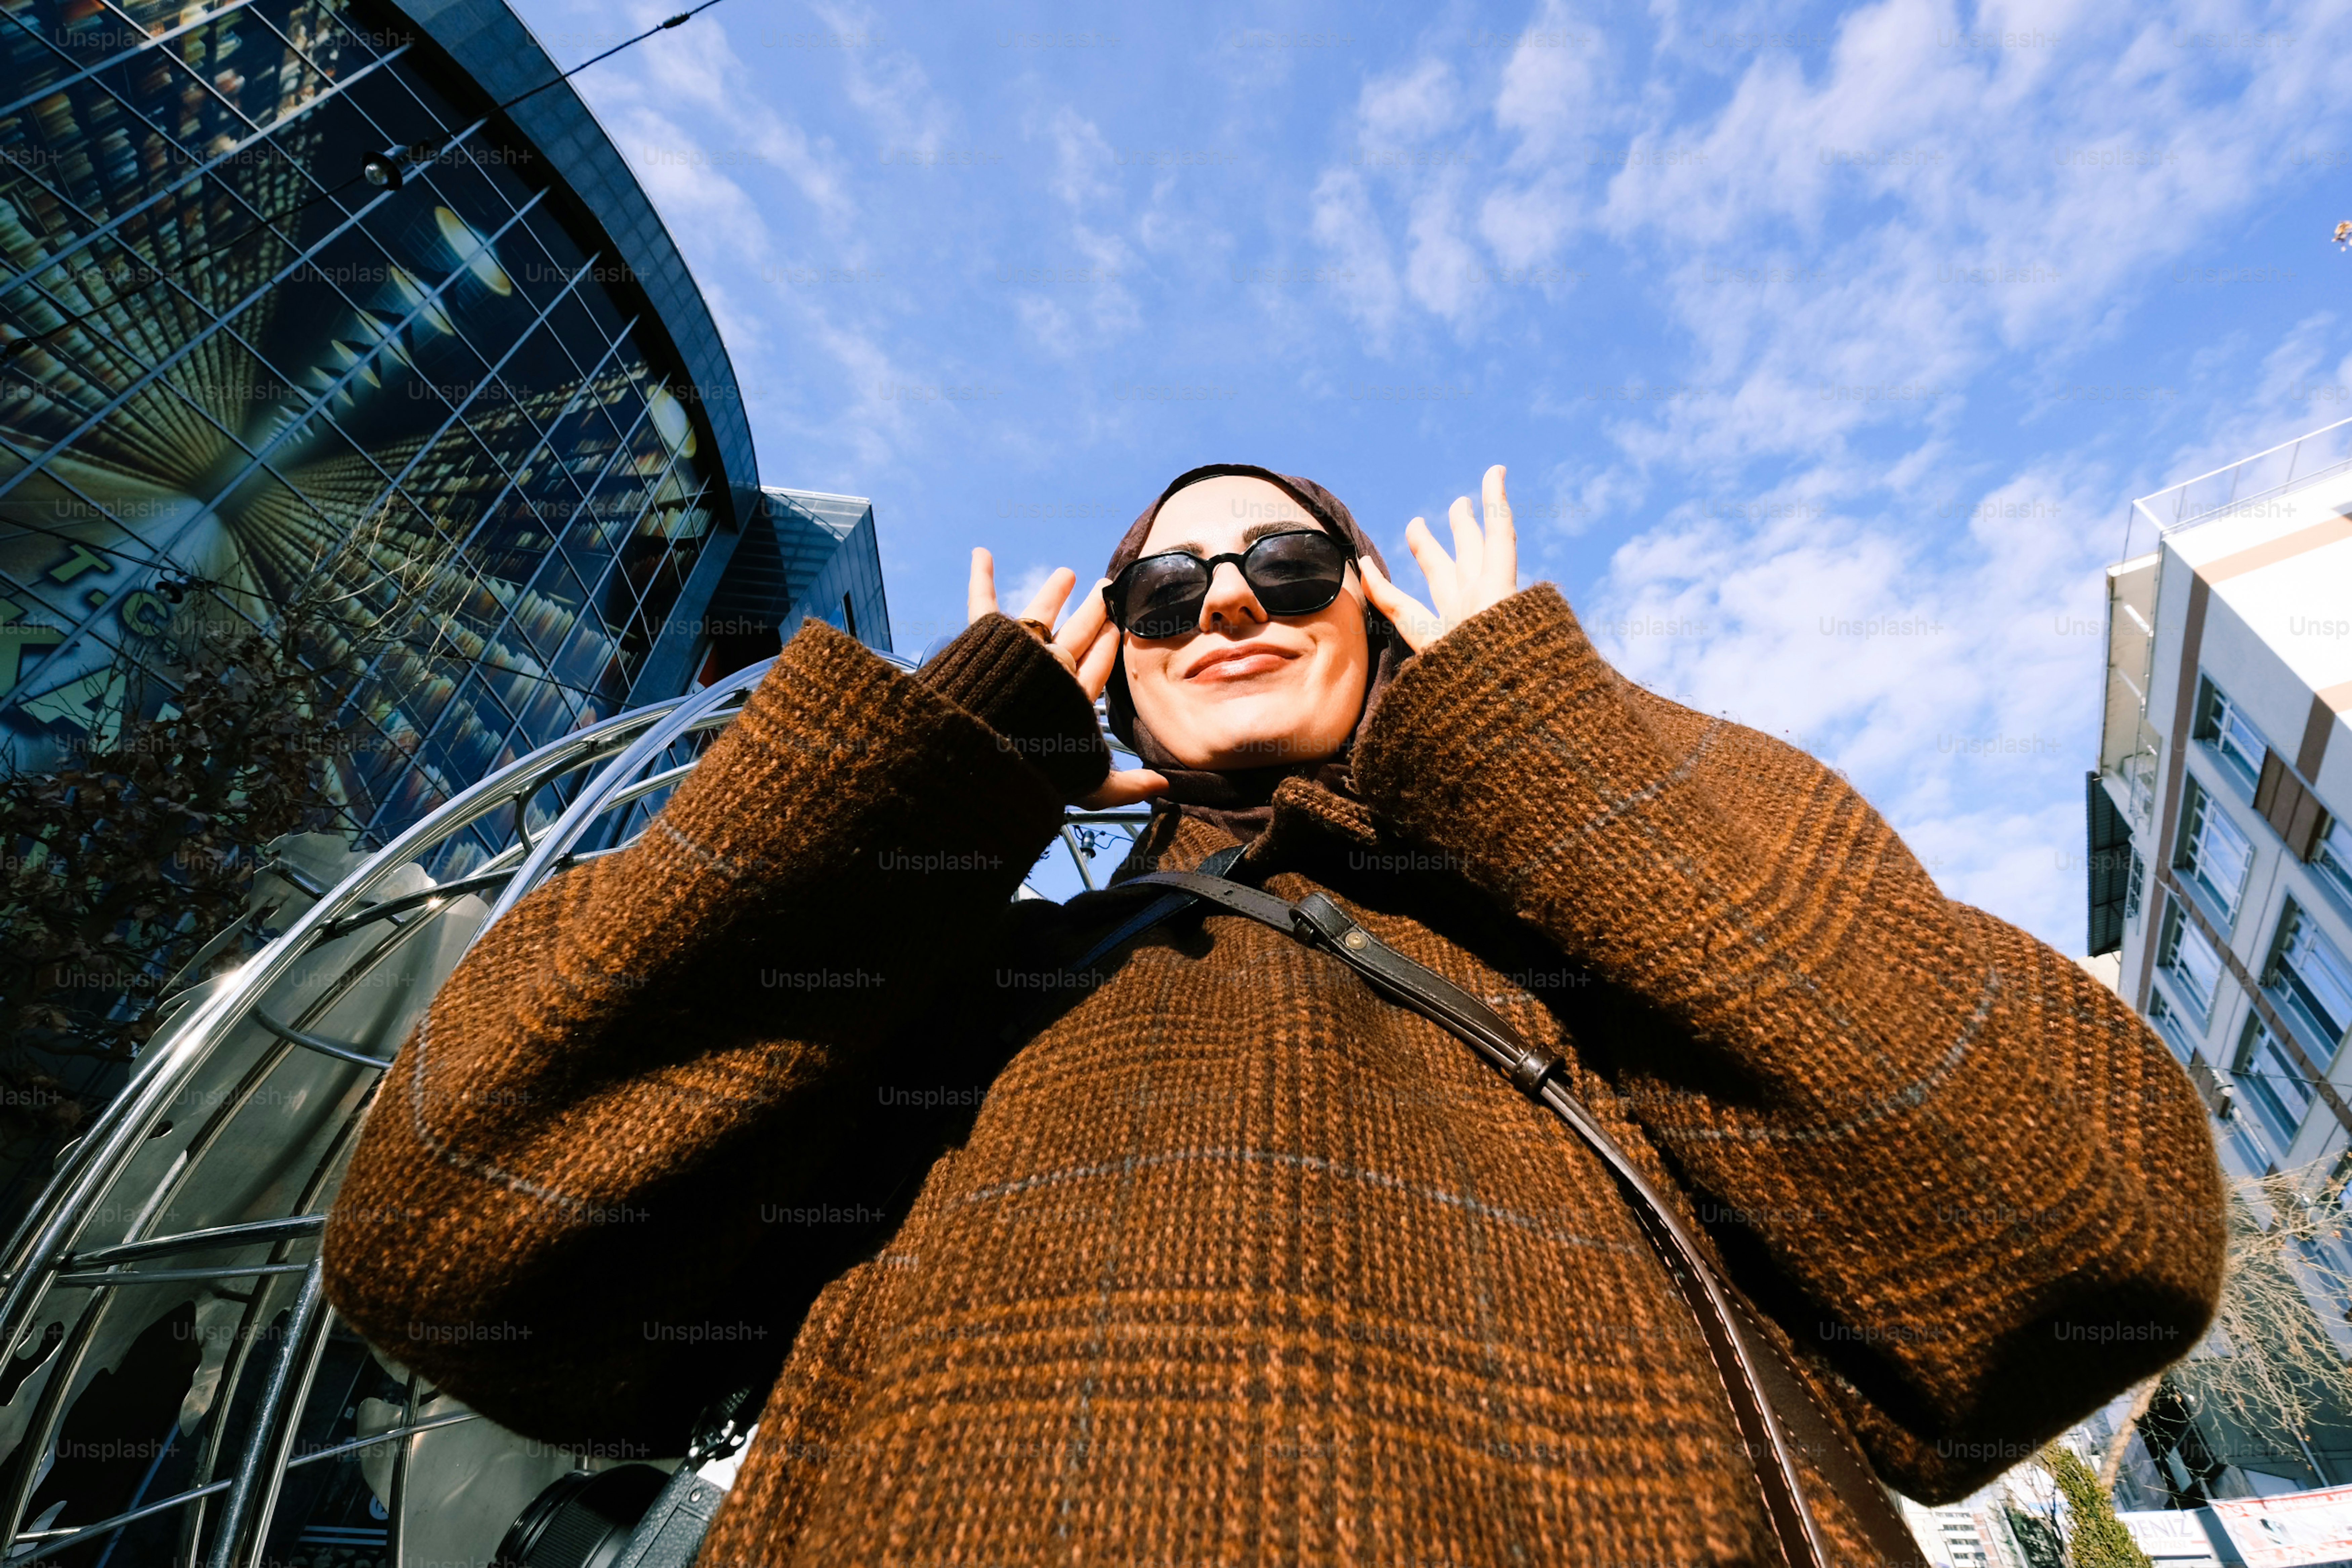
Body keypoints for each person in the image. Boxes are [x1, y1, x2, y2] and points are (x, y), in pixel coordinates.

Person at [323, 462, 2224, 1567]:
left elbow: (2084, 1231)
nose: (1225, 602)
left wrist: (1530, 730)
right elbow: (451, 1241)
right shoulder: (944, 993)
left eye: (1289, 568)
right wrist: (935, 781)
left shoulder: (1604, 955)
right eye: (1162, 589)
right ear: (1115, 663)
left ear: (1375, 615)